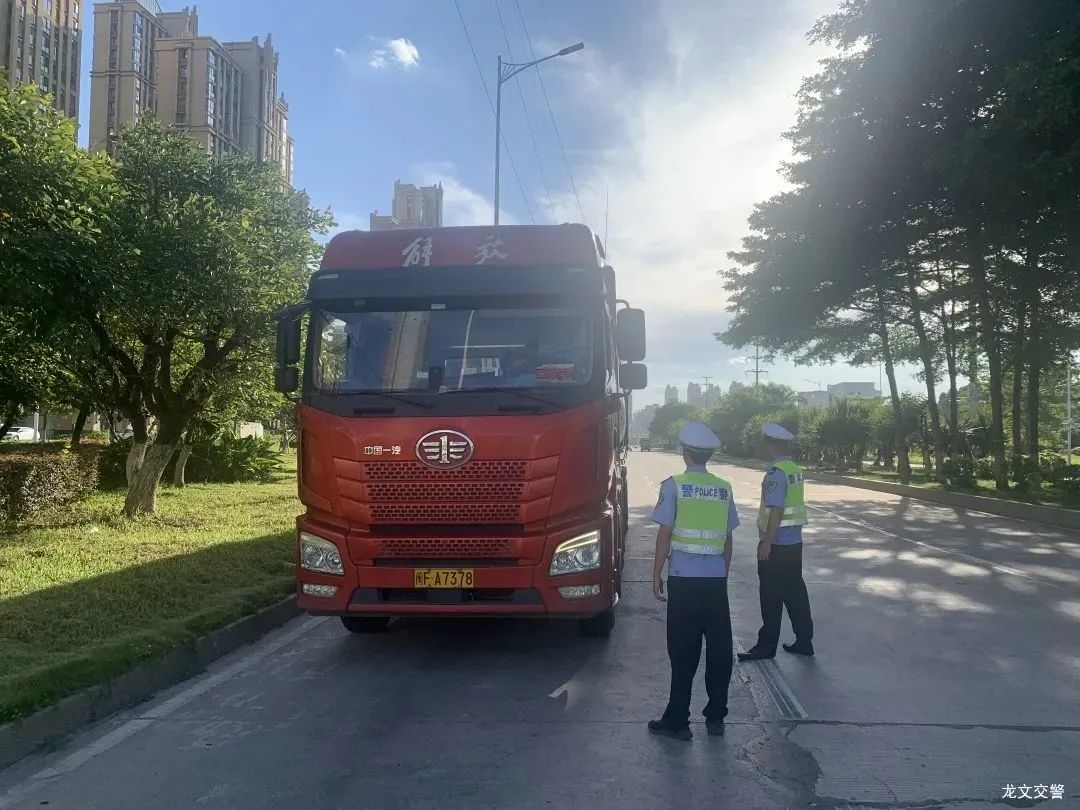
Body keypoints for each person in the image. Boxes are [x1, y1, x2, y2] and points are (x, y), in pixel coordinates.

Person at [648, 421, 738, 741]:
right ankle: (716, 717)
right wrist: (722, 573)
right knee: (719, 651)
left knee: (683, 652)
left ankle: (678, 720)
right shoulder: (724, 488)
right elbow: (727, 539)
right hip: (714, 582)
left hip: (683, 581)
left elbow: (665, 533)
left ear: (685, 453)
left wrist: (656, 573)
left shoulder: (674, 486)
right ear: (709, 455)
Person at [738, 422, 814, 662]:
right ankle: (804, 640)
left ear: (771, 445)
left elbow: (776, 509)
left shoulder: (776, 472)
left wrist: (767, 542)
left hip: (777, 544)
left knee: (771, 596)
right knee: (795, 592)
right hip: (794, 543)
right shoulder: (794, 468)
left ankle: (765, 647)